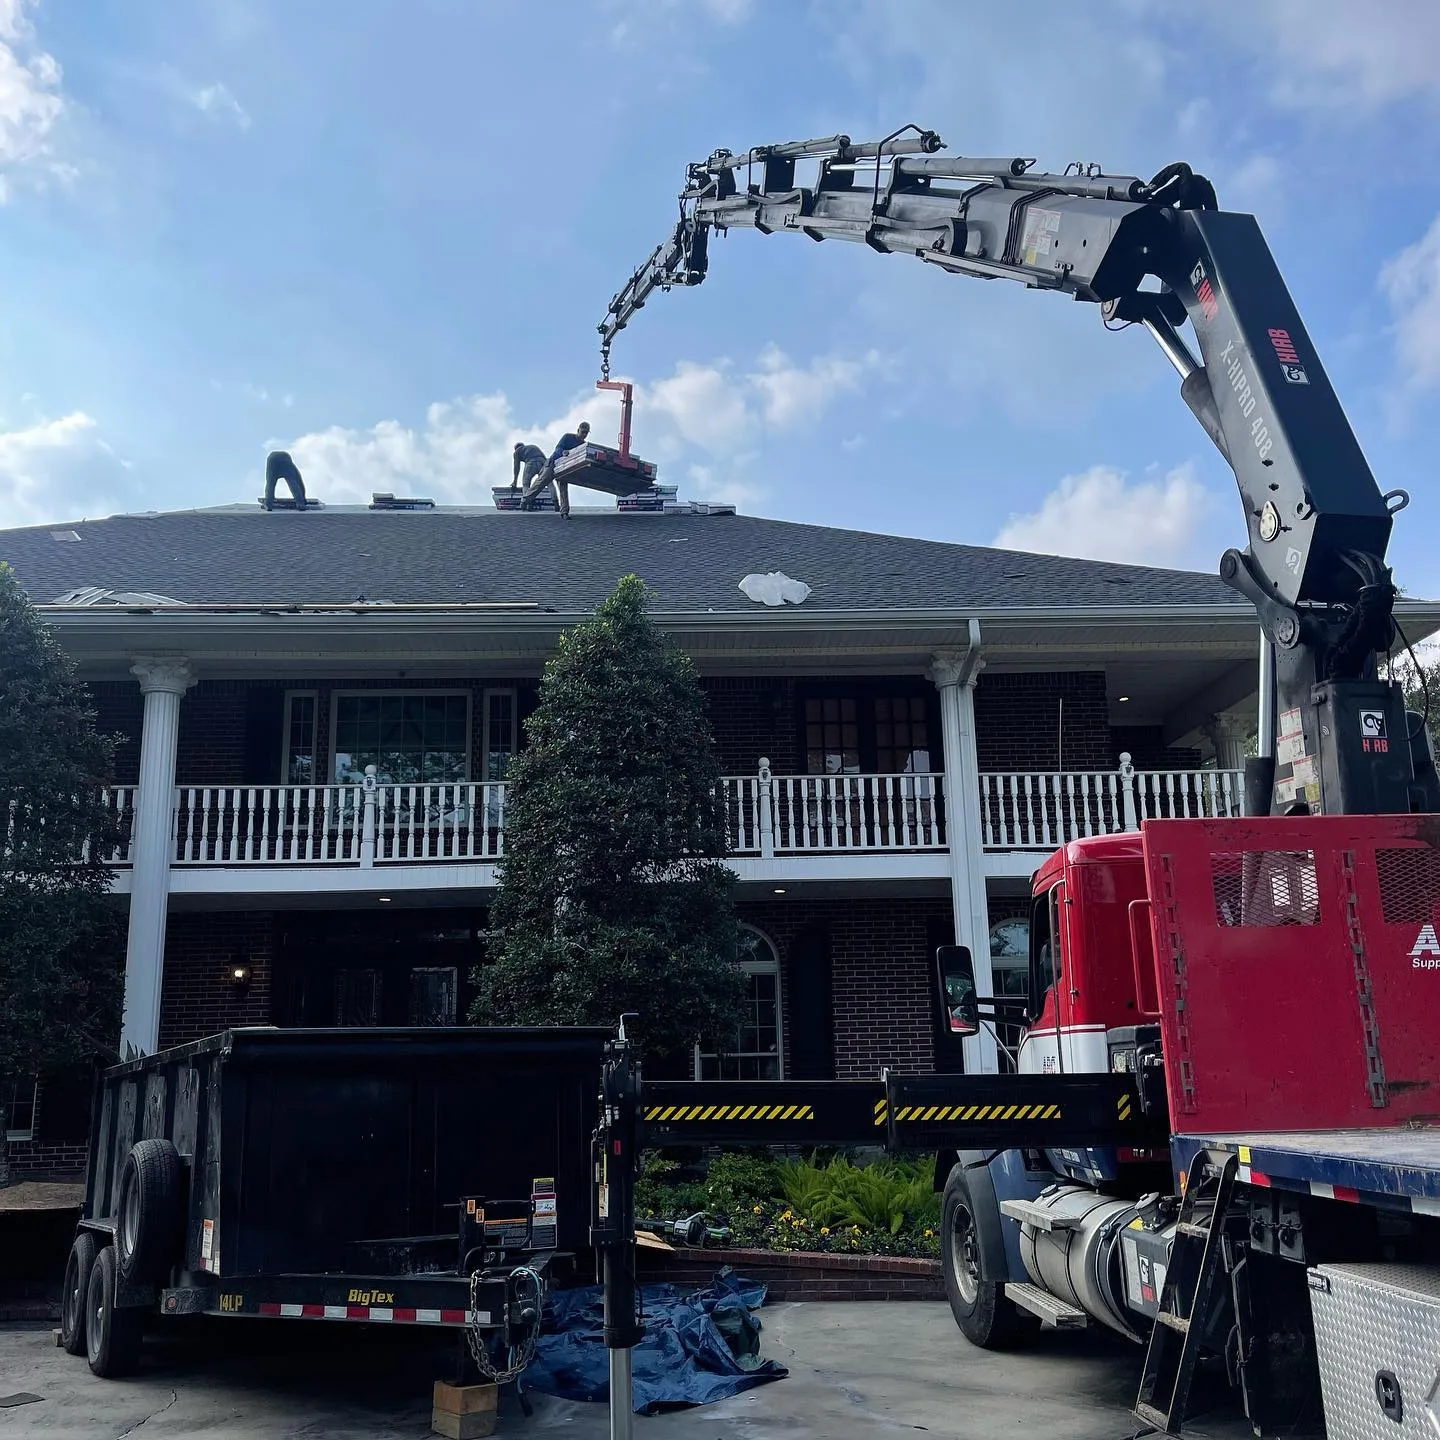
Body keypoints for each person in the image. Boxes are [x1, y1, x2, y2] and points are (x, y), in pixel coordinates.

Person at [520, 422, 591, 517]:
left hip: (565, 468)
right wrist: (563, 452)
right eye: (583, 432)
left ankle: (564, 512)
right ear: (578, 430)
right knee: (542, 481)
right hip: (553, 464)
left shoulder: (583, 445)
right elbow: (558, 448)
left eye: (586, 433)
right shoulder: (567, 437)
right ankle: (525, 499)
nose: (584, 435)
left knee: (563, 489)